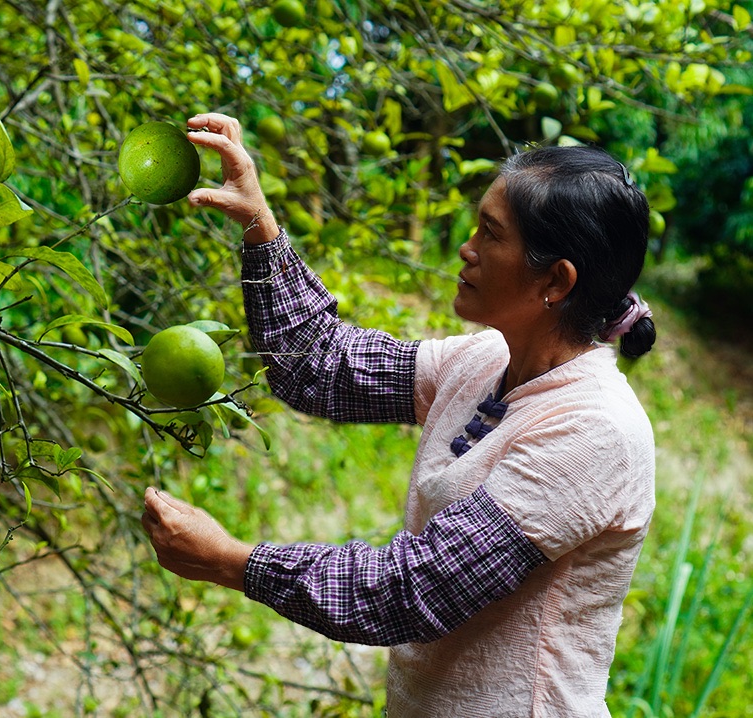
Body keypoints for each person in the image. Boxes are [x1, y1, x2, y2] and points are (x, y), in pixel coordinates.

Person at [140, 113, 657, 717]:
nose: (465, 249)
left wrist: (232, 562)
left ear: (555, 280)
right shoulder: (485, 359)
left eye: (490, 234)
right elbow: (318, 365)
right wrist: (259, 223)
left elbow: (412, 591)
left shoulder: (596, 431)